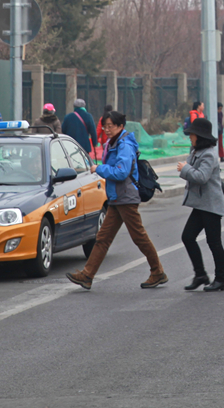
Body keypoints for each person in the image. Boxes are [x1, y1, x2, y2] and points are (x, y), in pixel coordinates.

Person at [67, 111, 167, 290]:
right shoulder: (113, 143)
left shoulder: (124, 145)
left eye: (110, 126)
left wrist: (99, 168)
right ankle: (87, 275)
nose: (106, 129)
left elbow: (121, 172)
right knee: (103, 238)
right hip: (116, 197)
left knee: (139, 237)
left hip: (126, 197)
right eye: (104, 126)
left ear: (121, 126)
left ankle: (157, 271)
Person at [177, 117, 224, 292]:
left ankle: (221, 279)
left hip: (211, 206)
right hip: (201, 204)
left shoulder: (209, 154)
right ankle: (200, 275)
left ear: (200, 136)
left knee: (214, 242)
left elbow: (201, 177)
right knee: (188, 237)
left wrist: (185, 168)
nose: (190, 136)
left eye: (192, 134)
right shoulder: (196, 150)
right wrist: (186, 167)